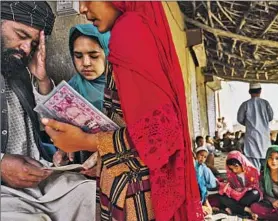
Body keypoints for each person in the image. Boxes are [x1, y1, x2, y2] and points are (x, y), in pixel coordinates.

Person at [41, 2, 203, 221]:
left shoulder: (129, 31)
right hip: (129, 187)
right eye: (78, 56)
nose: (81, 9)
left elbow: (160, 134)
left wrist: (85, 141)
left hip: (135, 197)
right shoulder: (139, 28)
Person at [0, 2, 96, 221]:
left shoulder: (18, 71)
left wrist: (42, 79)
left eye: (33, 43)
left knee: (98, 196)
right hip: (5, 191)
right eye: (20, 34)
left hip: (41, 180)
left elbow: (48, 126)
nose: (25, 48)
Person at [53, 24, 111, 166]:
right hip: (83, 169)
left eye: (94, 56)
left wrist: (106, 152)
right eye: (78, 56)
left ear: (109, 53)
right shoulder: (72, 89)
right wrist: (62, 150)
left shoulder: (125, 88)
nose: (85, 63)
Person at [237, 83, 274, 170]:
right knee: (267, 163)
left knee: (253, 166)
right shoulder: (265, 103)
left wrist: (249, 124)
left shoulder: (245, 104)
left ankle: (256, 182)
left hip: (251, 137)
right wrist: (262, 123)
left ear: (249, 92)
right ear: (260, 91)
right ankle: (266, 182)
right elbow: (271, 117)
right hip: (264, 137)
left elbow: (240, 119)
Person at [217, 151, 261, 219]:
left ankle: (234, 208)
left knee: (255, 193)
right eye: (231, 169)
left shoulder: (252, 171)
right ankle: (247, 210)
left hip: (246, 196)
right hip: (236, 197)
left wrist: (244, 190)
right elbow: (231, 188)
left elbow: (256, 186)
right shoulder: (231, 174)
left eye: (236, 167)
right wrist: (230, 189)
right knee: (221, 196)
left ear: (242, 163)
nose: (234, 171)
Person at [194, 147, 217, 217]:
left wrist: (204, 185)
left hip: (202, 195)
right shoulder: (192, 165)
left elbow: (212, 184)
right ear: (196, 155)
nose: (202, 158)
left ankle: (203, 206)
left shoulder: (204, 168)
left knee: (209, 212)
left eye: (205, 157)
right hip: (194, 194)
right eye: (201, 155)